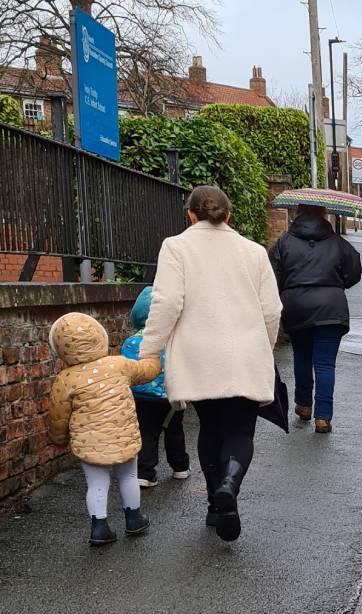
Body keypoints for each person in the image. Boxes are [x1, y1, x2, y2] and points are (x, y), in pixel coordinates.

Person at [140, 185, 282, 543]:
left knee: (209, 427)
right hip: (246, 353)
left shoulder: (176, 247)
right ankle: (230, 486)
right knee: (239, 430)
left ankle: (214, 503)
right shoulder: (253, 252)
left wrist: (149, 352)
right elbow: (272, 311)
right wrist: (265, 346)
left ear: (190, 214)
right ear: (228, 215)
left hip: (199, 357)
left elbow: (167, 303)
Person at [48, 312, 160, 546]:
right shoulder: (119, 364)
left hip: (89, 442)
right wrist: (153, 354)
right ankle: (134, 519)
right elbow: (147, 371)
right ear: (100, 336)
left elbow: (58, 416)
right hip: (123, 436)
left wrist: (59, 438)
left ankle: (99, 528)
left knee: (97, 484)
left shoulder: (65, 380)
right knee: (128, 476)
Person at [269, 203, 362, 434]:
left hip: (297, 306)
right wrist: (337, 283)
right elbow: (354, 272)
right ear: (323, 214)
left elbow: (272, 275)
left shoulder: (284, 242)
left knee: (301, 355)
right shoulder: (337, 242)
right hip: (331, 308)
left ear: (298, 213)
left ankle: (303, 405)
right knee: (325, 363)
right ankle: (323, 417)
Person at [121, 286, 190, 487]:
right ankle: (180, 467)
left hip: (141, 397)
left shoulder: (130, 342)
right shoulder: (174, 341)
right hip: (170, 396)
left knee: (147, 432)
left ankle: (145, 472)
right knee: (174, 431)